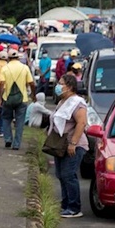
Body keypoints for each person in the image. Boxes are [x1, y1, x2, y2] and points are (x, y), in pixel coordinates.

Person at [49, 74, 89, 218]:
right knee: (60, 174)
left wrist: (73, 143)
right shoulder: (63, 101)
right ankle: (65, 204)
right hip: (61, 144)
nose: (58, 86)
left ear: (70, 86)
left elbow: (81, 123)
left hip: (74, 145)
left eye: (61, 83)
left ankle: (74, 207)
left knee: (68, 174)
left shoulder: (77, 103)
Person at [0, 49, 36, 150]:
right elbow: (31, 83)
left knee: (6, 119)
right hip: (22, 98)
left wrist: (0, 98)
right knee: (20, 122)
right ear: (18, 58)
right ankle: (16, 144)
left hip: (7, 97)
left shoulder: (5, 68)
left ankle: (8, 139)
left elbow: (2, 84)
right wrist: (33, 95)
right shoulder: (25, 68)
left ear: (9, 58)